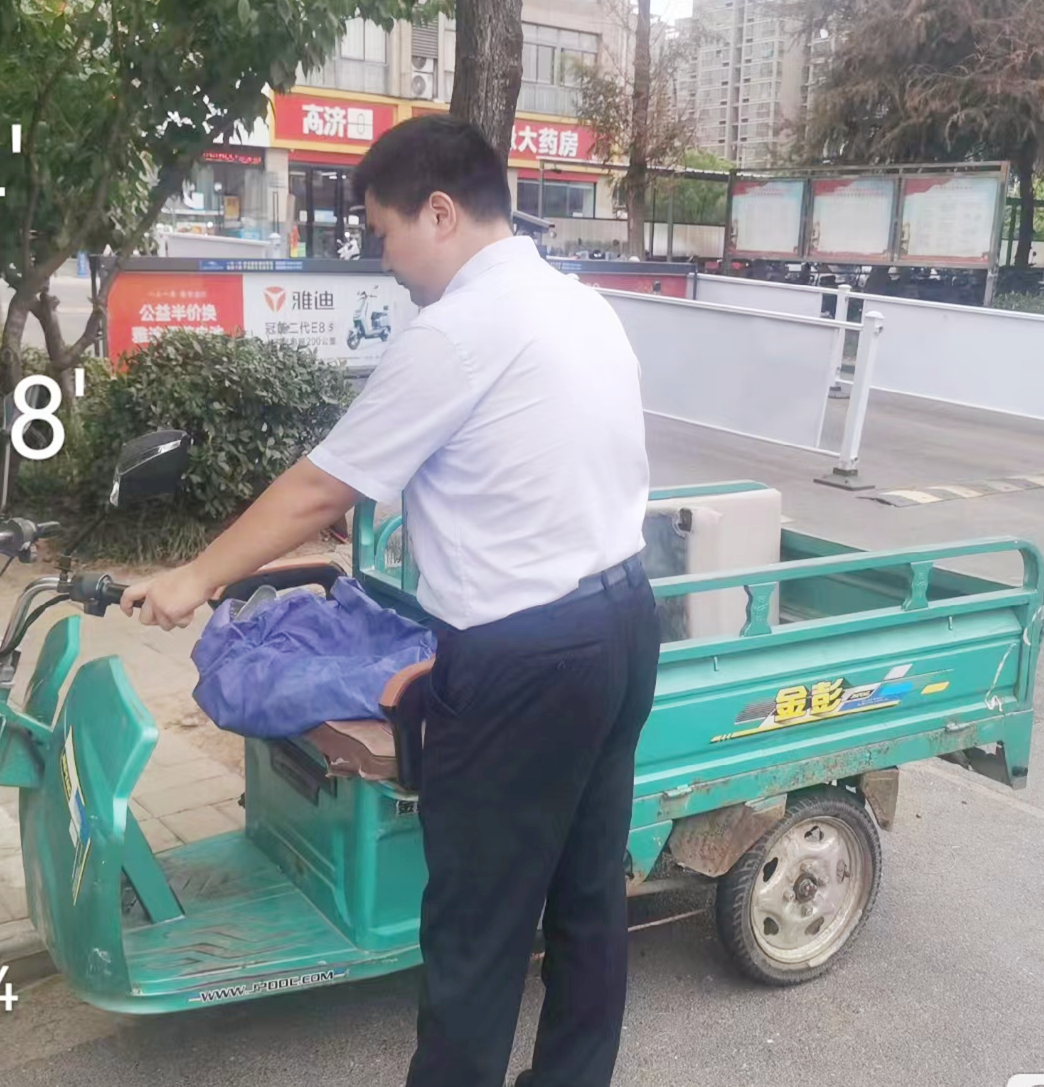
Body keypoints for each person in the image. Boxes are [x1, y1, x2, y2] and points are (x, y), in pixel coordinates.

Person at [119, 115, 661, 1087]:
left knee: (476, 930)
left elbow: (318, 488)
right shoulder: (579, 303)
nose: (385, 259)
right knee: (587, 895)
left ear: (440, 213)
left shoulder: (456, 329)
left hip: (526, 658)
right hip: (621, 625)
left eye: (384, 231)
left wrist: (193, 577)